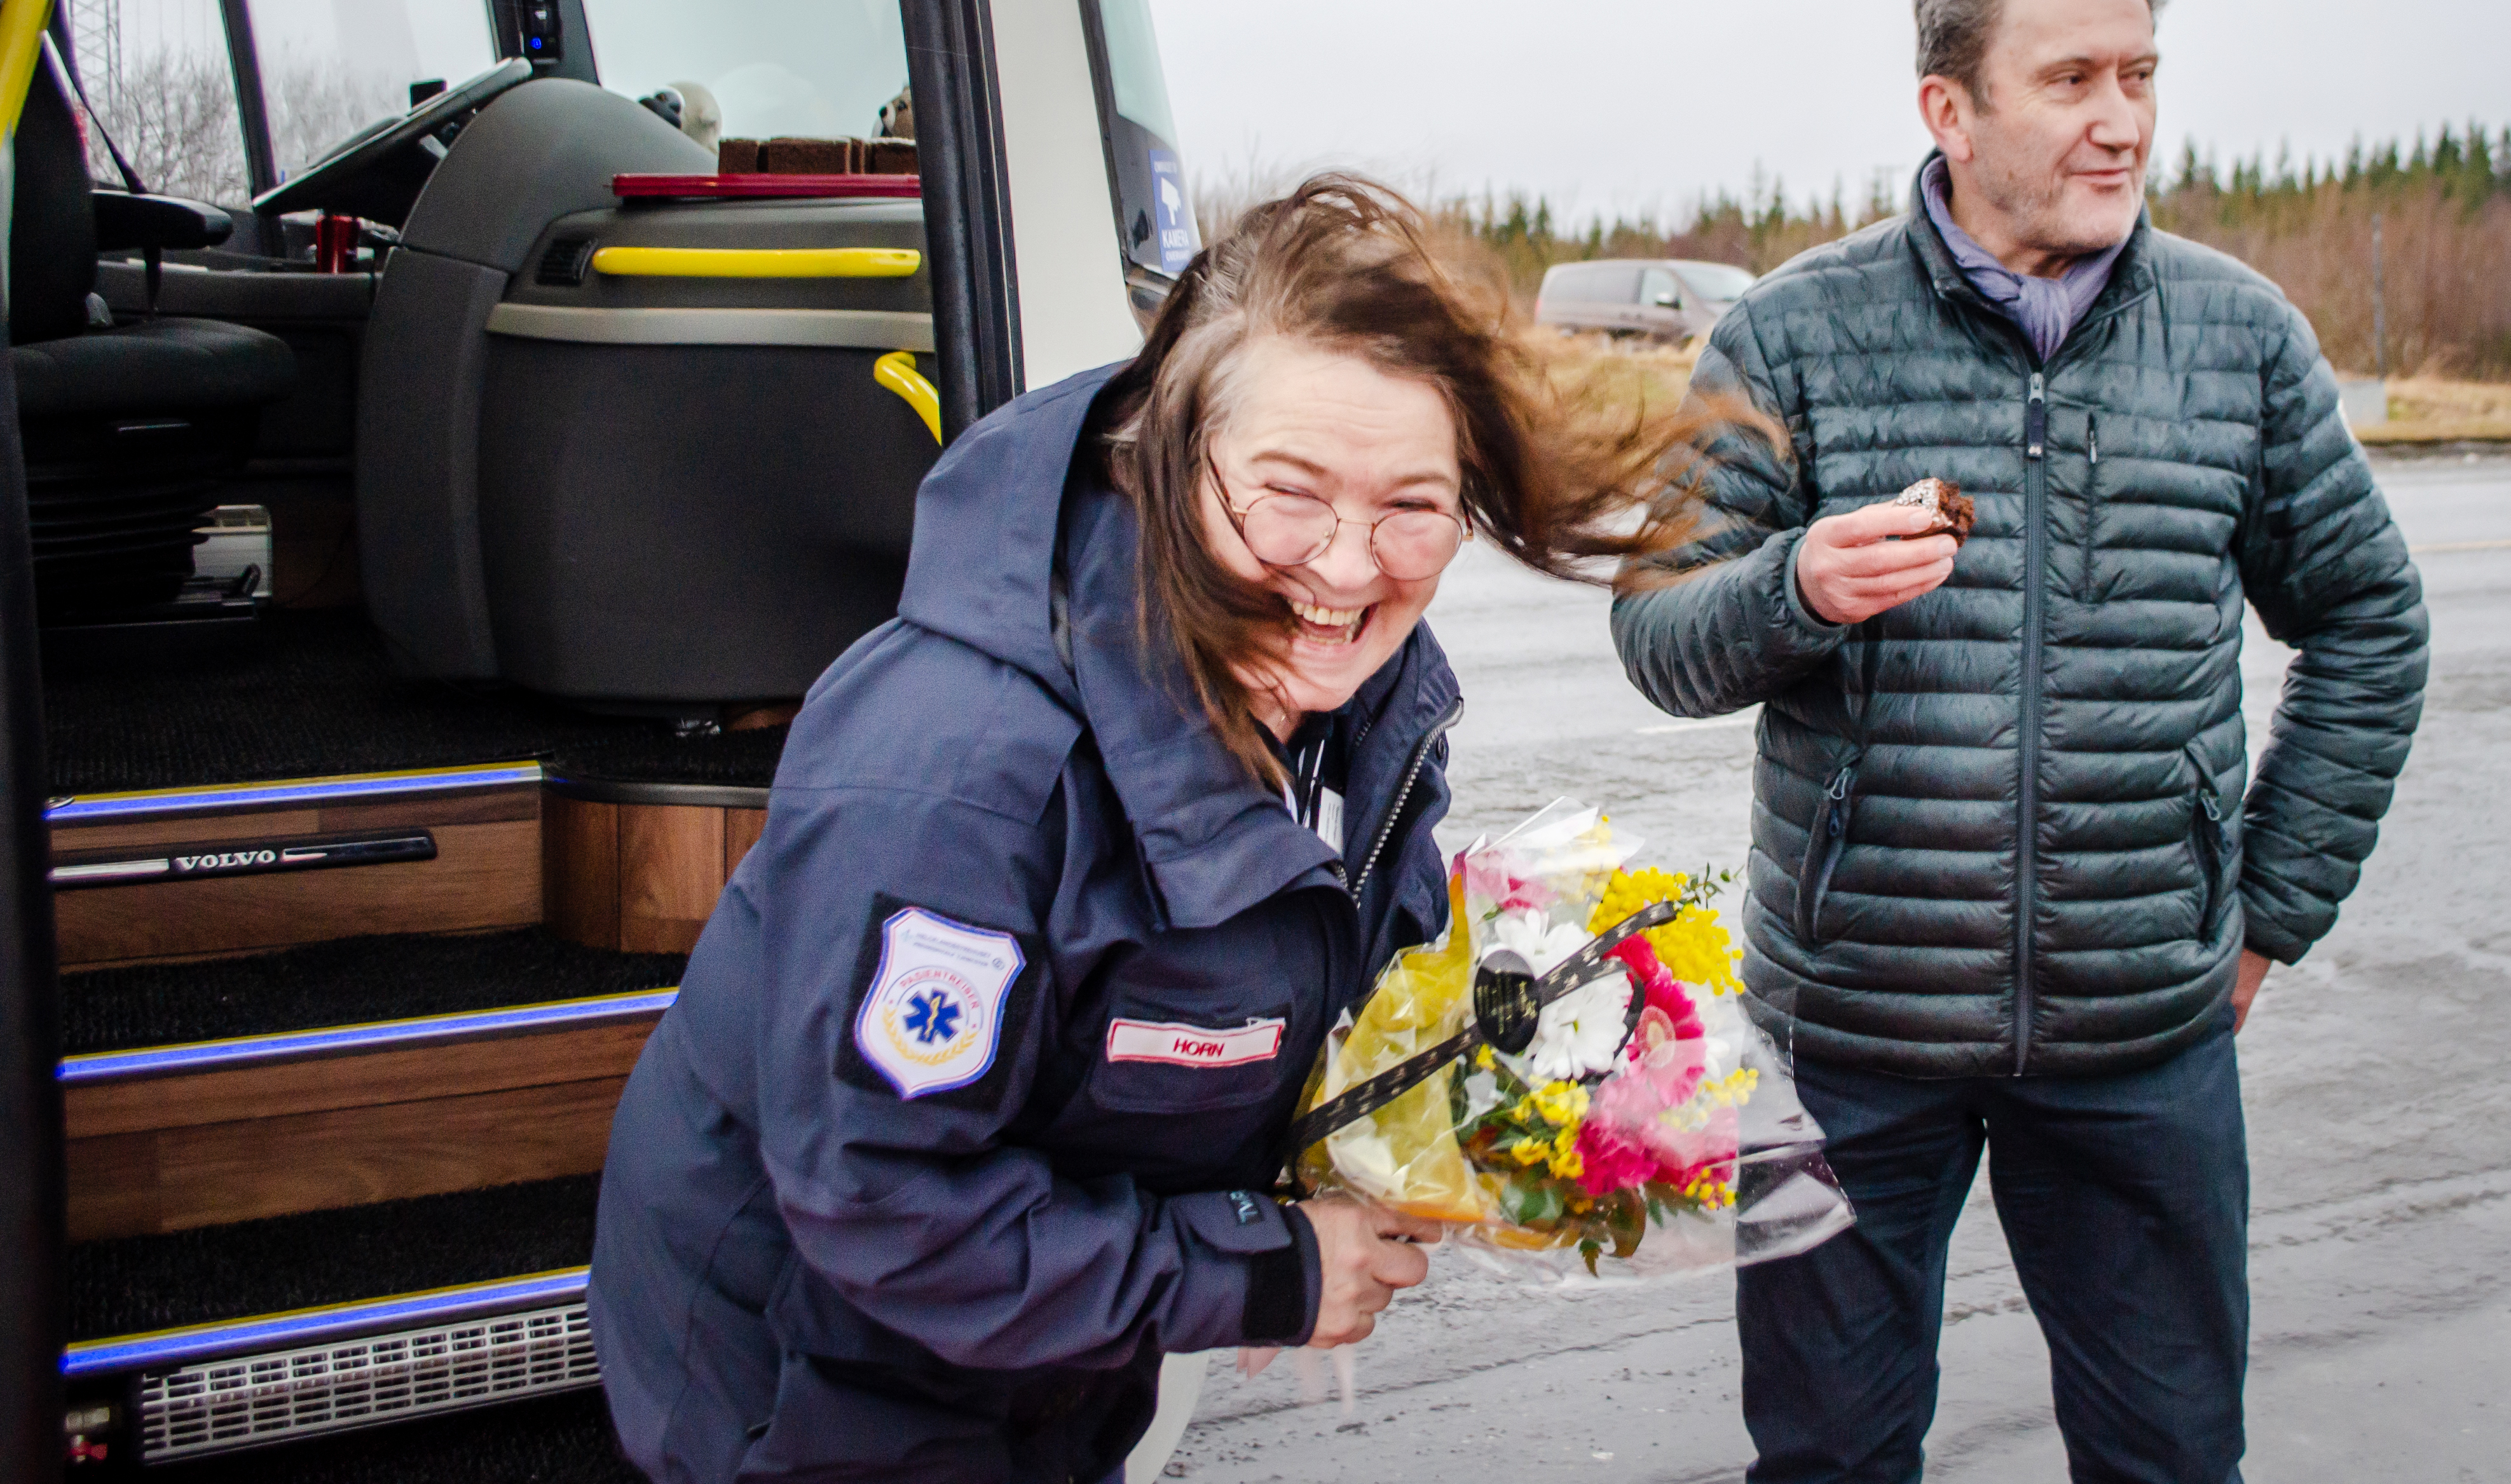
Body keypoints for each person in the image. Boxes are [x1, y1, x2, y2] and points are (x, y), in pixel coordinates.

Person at [592, 175, 1693, 1483]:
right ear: (1161, 462)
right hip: (818, 1383)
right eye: (1287, 495)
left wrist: (1514, 1087)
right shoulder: (953, 779)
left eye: (1412, 505)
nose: (1346, 569)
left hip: (1047, 1364)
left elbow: (1321, 972)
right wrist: (1265, 1269)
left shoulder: (1365, 693)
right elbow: (883, 1203)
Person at [1610, 0, 2433, 1484]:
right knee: (1830, 1458)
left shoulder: (2240, 339)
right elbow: (1657, 633)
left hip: (2143, 1035)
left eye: (2138, 74)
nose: (2118, 118)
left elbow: (2368, 623)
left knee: (2170, 1455)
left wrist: (2267, 910)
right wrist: (1798, 588)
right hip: (1844, 1031)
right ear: (1950, 108)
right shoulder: (1791, 333)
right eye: (2067, 78)